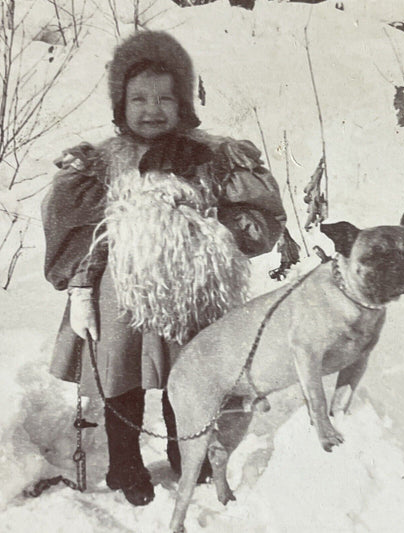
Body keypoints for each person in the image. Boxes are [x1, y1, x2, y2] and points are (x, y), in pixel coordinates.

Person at [41, 31, 286, 507]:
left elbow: (252, 218)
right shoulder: (104, 162)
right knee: (120, 382)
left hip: (190, 292)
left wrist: (224, 219)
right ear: (120, 103)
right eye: (138, 99)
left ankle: (185, 454)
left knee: (189, 376)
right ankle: (125, 466)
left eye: (164, 98)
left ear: (183, 103)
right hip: (122, 295)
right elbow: (85, 230)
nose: (151, 109)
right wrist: (81, 291)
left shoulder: (210, 156)